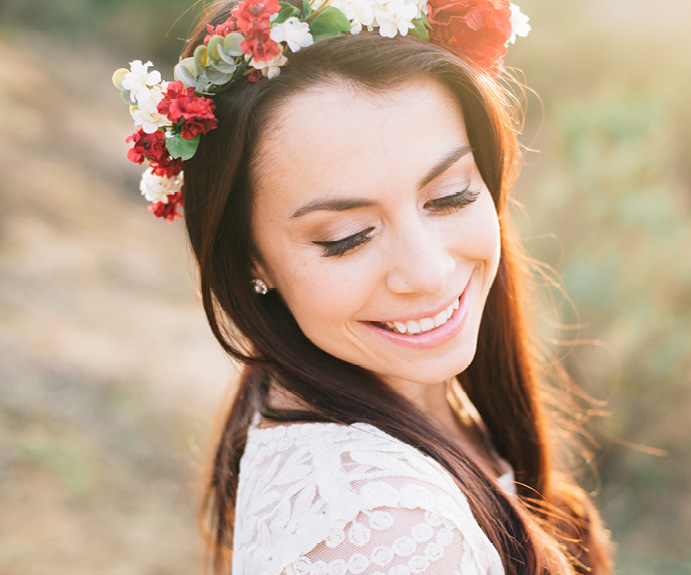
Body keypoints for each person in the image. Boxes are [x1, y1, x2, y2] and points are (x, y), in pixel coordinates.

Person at [114, 0, 613, 573]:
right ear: (253, 261)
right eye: (348, 237)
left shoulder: (359, 396)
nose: (427, 272)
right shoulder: (384, 535)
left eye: (449, 197)